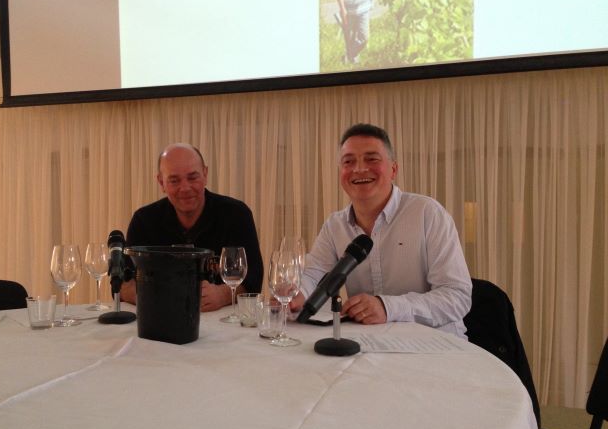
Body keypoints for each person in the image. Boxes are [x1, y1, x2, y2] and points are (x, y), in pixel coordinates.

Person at [290, 123, 472, 338]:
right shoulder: (335, 226)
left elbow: (457, 297)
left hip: (434, 347)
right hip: (371, 344)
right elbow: (313, 274)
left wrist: (387, 307)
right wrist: (296, 293)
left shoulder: (427, 213)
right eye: (349, 162)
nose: (359, 169)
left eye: (371, 159)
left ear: (393, 169)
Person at [120, 143, 263, 312]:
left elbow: (253, 280)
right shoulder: (143, 220)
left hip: (224, 324)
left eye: (192, 177)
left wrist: (222, 295)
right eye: (174, 180)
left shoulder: (236, 214)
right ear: (161, 182)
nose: (185, 188)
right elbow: (123, 283)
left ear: (205, 174)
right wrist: (156, 296)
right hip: (162, 321)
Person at [336, 0, 373, 64]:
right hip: (349, 11)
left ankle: (349, 55)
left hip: (364, 9)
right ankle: (353, 59)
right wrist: (343, 10)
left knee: (364, 37)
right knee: (349, 37)